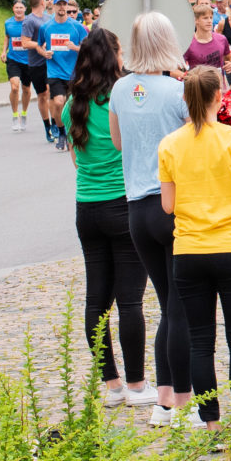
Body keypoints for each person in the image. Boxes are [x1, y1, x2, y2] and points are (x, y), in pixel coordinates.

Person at [157, 66, 231, 449]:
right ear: (219, 97)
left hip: (189, 251)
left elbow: (168, 205)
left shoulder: (170, 144)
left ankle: (211, 427)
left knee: (200, 342)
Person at [112, 12, 194, 424]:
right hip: (172, 204)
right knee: (181, 309)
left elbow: (117, 140)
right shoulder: (178, 93)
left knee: (166, 304)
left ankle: (164, 399)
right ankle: (182, 400)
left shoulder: (119, 90)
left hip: (135, 207)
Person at [62, 26, 144, 406]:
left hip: (87, 208)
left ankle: (110, 385)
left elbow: (77, 159)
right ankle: (138, 384)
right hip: (122, 204)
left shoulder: (71, 103)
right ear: (114, 57)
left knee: (97, 300)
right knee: (130, 301)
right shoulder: (121, 97)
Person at [42, 0, 87, 150]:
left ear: (67, 7)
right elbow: (40, 46)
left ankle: (73, 132)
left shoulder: (77, 27)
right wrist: (44, 53)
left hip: (74, 73)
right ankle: (61, 132)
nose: (61, 7)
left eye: (64, 4)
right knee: (59, 102)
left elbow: (88, 48)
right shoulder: (46, 27)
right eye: (58, 4)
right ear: (54, 7)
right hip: (54, 71)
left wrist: (74, 47)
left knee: (74, 106)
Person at [5, 0, 41, 131]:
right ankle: (15, 115)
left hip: (28, 59)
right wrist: (4, 52)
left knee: (26, 89)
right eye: (16, 7)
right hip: (13, 59)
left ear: (25, 9)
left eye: (21, 7)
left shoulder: (30, 22)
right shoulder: (8, 23)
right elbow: (7, 37)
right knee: (14, 87)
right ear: (13, 9)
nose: (19, 9)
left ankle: (24, 113)